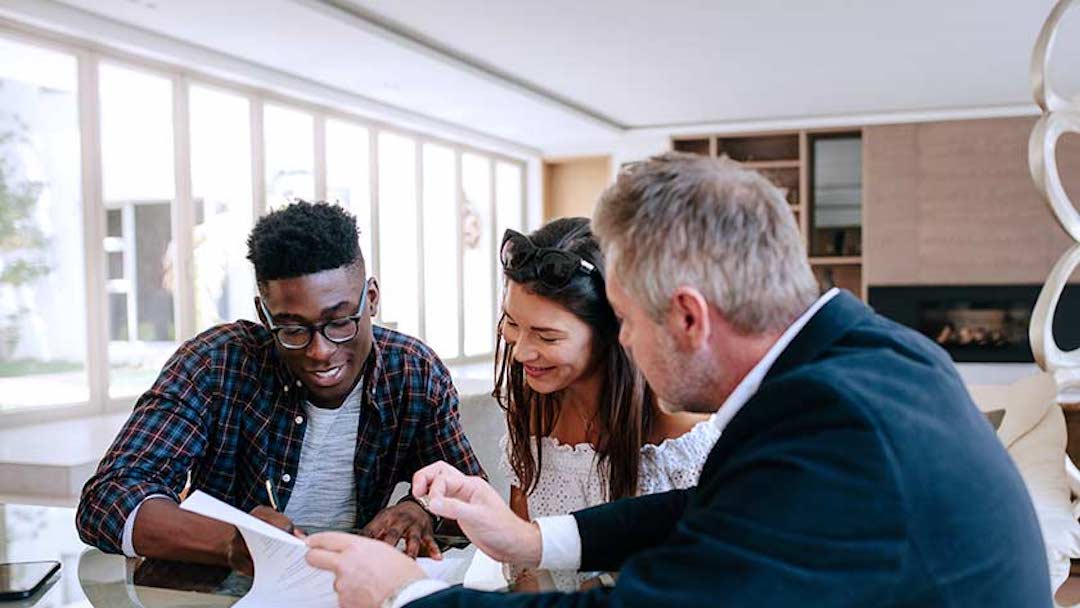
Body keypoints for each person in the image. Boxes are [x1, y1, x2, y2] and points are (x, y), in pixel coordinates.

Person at [304, 154, 1051, 607]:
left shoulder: (834, 427)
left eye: (627, 321)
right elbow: (716, 506)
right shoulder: (867, 354)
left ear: (688, 317)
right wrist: (531, 539)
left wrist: (403, 596)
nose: (625, 342)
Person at [77, 201, 484, 574]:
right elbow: (108, 498)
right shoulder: (216, 363)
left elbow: (471, 495)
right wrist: (232, 542)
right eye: (292, 329)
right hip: (226, 591)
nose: (321, 351)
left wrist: (420, 509)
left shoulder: (412, 372)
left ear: (372, 299)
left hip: (351, 586)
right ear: (264, 314)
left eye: (340, 321)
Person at [495, 217, 719, 589]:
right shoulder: (535, 411)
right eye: (512, 323)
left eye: (547, 337)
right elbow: (526, 570)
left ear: (614, 332)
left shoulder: (679, 434)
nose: (520, 352)